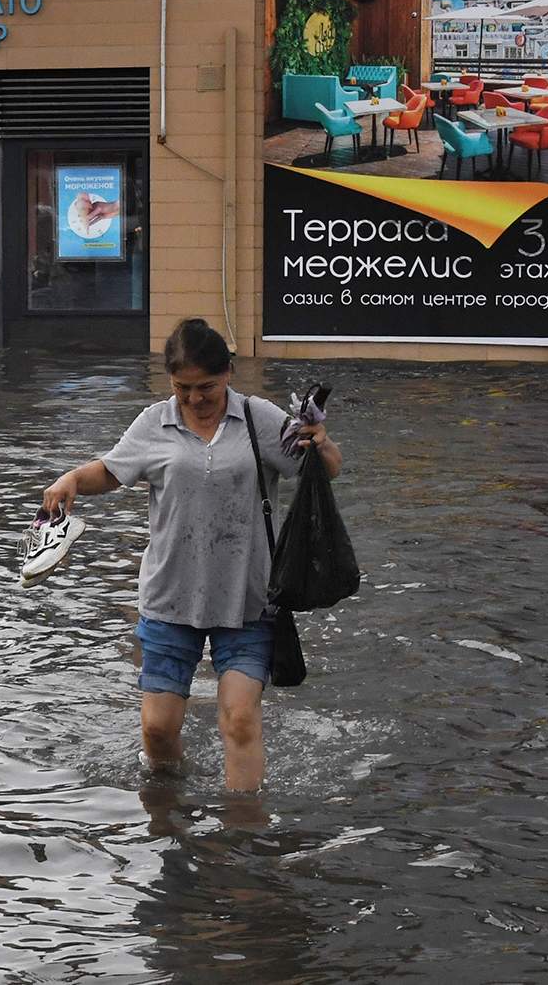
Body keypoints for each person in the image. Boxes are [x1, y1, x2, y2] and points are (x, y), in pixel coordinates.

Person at [41, 318, 342, 793]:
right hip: (170, 597)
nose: (195, 398)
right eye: (183, 388)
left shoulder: (259, 419)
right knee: (157, 729)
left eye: (206, 386)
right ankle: (169, 808)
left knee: (240, 720)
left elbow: (326, 469)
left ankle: (242, 833)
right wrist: (73, 479)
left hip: (249, 598)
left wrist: (322, 445)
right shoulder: (154, 422)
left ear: (228, 374)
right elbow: (113, 471)